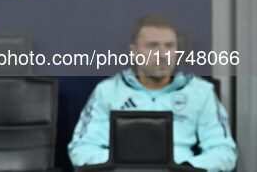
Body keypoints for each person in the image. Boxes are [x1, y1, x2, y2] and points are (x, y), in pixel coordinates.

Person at [68, 13, 237, 172]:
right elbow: (81, 147)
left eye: (169, 46)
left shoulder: (201, 91)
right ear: (134, 51)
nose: (163, 55)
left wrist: (185, 168)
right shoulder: (107, 91)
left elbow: (224, 151)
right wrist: (119, 163)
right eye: (153, 46)